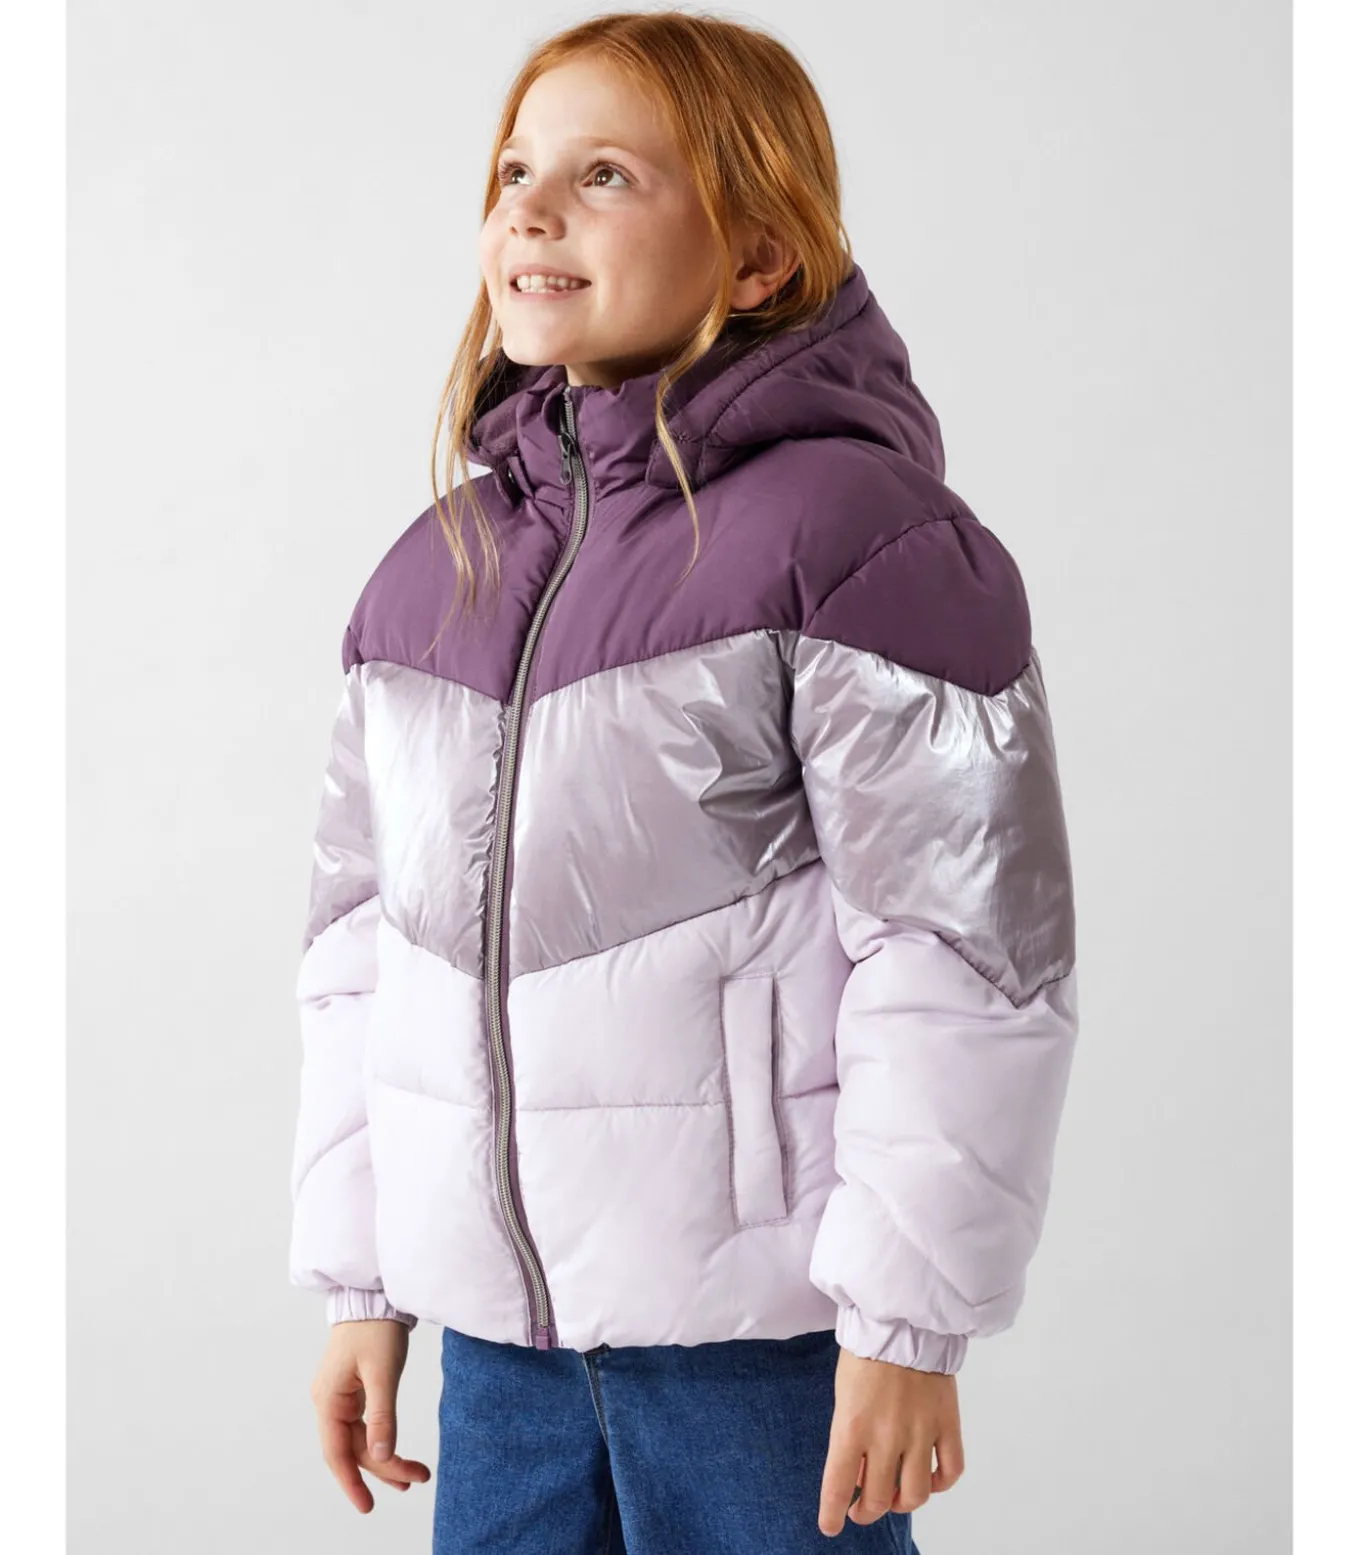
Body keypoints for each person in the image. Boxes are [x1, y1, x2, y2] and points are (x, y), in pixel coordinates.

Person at [287, 10, 1079, 1552]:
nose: (532, 210)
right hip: (501, 1354)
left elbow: (965, 960)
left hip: (759, 1356)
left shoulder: (860, 543)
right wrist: (361, 1279)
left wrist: (909, 1322)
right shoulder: (430, 575)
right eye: (516, 171)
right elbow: (358, 959)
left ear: (761, 254)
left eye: (603, 175)